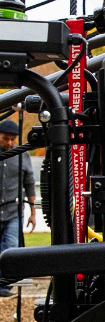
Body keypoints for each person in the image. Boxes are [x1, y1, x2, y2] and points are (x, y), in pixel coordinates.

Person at [0, 119, 35, 298]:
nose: (10, 143)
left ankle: (5, 285)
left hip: (14, 210)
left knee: (11, 246)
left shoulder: (22, 155)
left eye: (13, 139)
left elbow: (29, 183)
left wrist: (33, 212)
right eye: (6, 139)